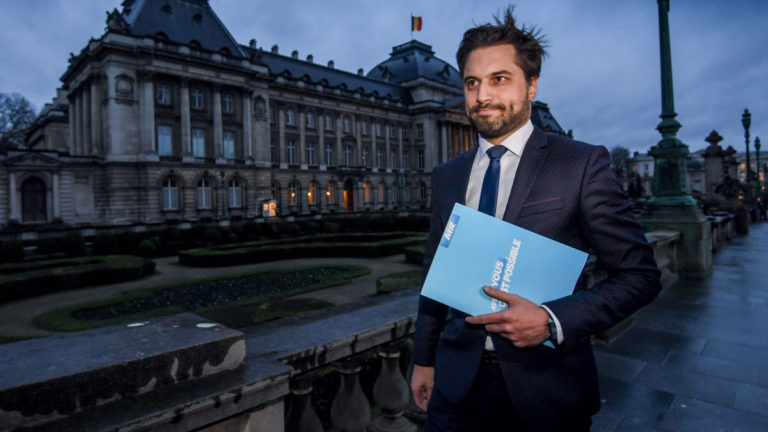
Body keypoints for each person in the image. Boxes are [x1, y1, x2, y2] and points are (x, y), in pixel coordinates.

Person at [410, 8, 661, 432]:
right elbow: (435, 277)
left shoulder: (580, 164)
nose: (482, 95)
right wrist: (423, 359)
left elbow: (640, 276)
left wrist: (551, 321)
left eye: (499, 79)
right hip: (455, 388)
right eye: (472, 82)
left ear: (532, 85)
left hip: (546, 389)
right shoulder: (447, 175)